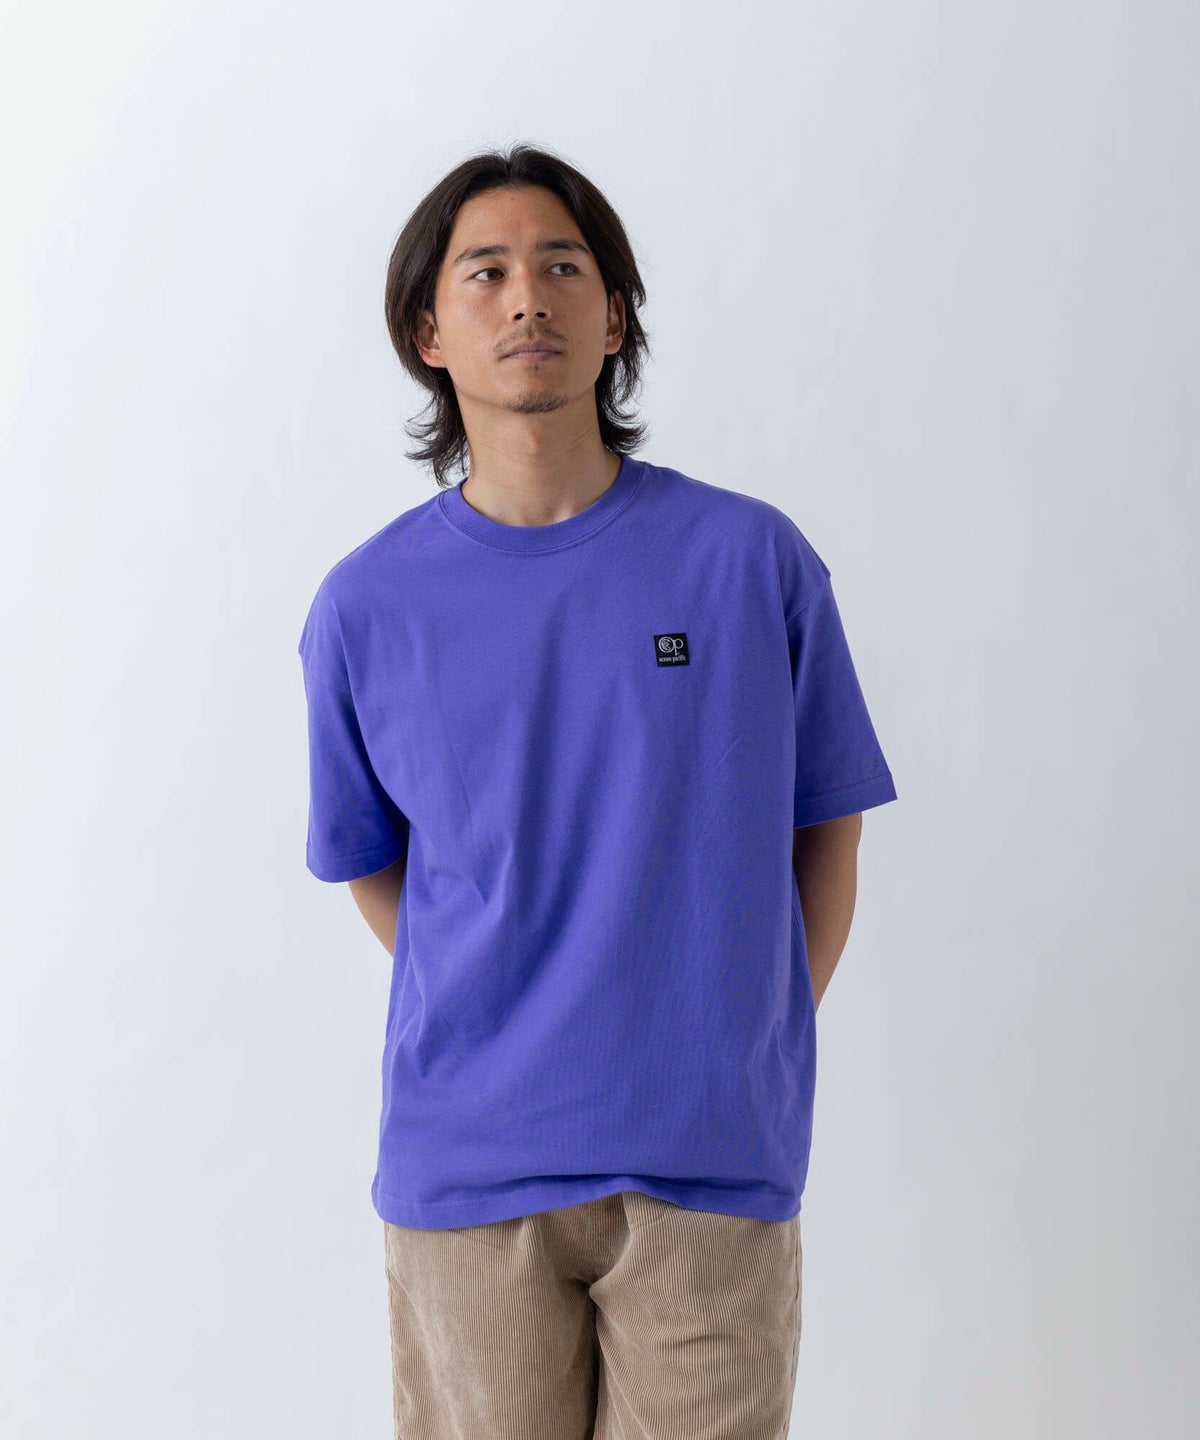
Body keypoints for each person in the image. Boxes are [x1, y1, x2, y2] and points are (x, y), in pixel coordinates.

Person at [297, 142, 898, 1440]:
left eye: (564, 267)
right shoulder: (367, 605)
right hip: (470, 1174)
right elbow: (373, 863)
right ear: (428, 333)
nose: (529, 297)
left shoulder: (750, 561)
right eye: (486, 272)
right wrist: (518, 1000)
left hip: (709, 1161)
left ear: (616, 317)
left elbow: (827, 823)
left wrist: (740, 1025)